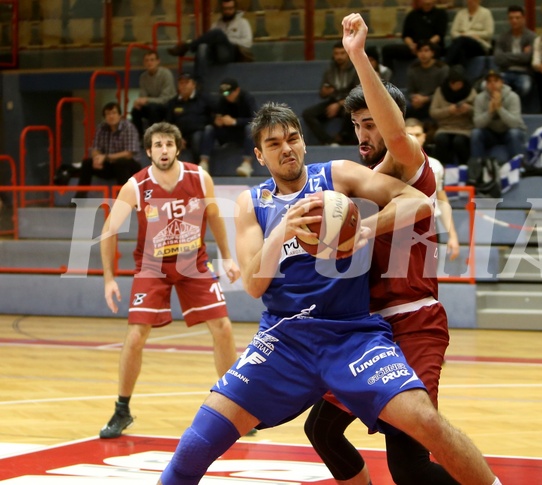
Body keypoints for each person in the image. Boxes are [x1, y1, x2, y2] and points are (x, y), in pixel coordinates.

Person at [156, 101, 500, 485]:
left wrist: (365, 228)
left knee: (426, 422)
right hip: (283, 340)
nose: (286, 148)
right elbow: (253, 284)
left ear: (303, 143)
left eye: (292, 138)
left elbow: (417, 202)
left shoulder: (336, 175)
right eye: (274, 144)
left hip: (351, 335)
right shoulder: (252, 204)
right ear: (259, 155)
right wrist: (283, 230)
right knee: (194, 446)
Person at [303, 13, 502, 485]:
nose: (363, 136)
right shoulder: (365, 180)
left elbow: (396, 137)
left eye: (371, 123)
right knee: (322, 430)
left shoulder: (412, 164)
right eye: (356, 125)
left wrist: (357, 56)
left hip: (414, 323)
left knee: (409, 465)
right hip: (370, 330)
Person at [98, 122, 240, 439]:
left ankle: (235, 405)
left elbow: (215, 216)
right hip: (152, 267)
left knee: (223, 326)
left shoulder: (199, 178)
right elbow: (108, 230)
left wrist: (227, 256)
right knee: (136, 335)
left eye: (169, 144)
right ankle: (122, 410)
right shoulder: (135, 186)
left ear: (178, 147)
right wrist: (109, 279)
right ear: (149, 151)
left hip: (194, 263)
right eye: (158, 145)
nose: (164, 150)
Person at [406, 117, 461, 261]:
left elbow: (442, 200)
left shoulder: (435, 166)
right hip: (399, 226)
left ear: (424, 137)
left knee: (428, 278)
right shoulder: (390, 165)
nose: (414, 139)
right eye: (409, 135)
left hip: (429, 225)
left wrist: (452, 236)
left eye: (417, 135)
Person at [167, 0, 253, 78]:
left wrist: (226, 39)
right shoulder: (216, 24)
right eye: (225, 9)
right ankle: (198, 82)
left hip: (232, 53)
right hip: (216, 53)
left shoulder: (243, 22)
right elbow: (207, 40)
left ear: (235, 9)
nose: (227, 11)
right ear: (221, 9)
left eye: (230, 9)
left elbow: (248, 42)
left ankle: (187, 47)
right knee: (202, 47)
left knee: (218, 33)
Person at [470, 69, 526, 186]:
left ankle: (519, 167)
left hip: (509, 132)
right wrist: (490, 112)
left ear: (502, 82)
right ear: (485, 84)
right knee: (476, 133)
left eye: (496, 81)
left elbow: (515, 123)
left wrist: (499, 108)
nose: (493, 84)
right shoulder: (480, 98)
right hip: (490, 133)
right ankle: (478, 171)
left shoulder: (512, 97)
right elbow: (477, 123)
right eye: (489, 81)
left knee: (514, 133)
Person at [75, 101, 141, 198]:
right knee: (87, 163)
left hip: (129, 166)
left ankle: (124, 199)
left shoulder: (129, 127)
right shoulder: (101, 128)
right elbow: (95, 149)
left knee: (121, 163)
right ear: (105, 117)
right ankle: (79, 198)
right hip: (109, 165)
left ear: (120, 115)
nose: (111, 116)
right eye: (108, 114)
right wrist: (97, 159)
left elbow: (128, 154)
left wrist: (105, 157)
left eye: (114, 113)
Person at [302, 41, 359, 146]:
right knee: (308, 114)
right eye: (336, 54)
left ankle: (343, 138)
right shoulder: (330, 70)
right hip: (333, 100)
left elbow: (358, 93)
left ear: (348, 54)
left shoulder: (355, 69)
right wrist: (325, 92)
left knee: (351, 110)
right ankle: (328, 141)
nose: (339, 56)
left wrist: (339, 104)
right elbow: (322, 93)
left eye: (342, 53)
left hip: (349, 101)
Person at [165, 71, 215, 171]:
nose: (183, 86)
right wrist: (177, 137)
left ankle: (200, 167)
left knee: (197, 138)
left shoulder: (204, 100)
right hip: (179, 134)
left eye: (186, 83)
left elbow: (212, 118)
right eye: (181, 83)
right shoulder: (172, 103)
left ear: (194, 84)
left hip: (198, 132)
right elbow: (168, 123)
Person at [381, 0, 449, 72]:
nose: (427, 3)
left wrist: (425, 46)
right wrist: (411, 45)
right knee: (387, 50)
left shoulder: (441, 13)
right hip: (414, 47)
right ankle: (387, 77)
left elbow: (439, 35)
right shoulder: (412, 15)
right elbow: (406, 35)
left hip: (432, 46)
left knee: (434, 50)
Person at [429, 65, 477, 167]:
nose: (456, 86)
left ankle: (465, 167)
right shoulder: (440, 91)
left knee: (459, 142)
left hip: (464, 128)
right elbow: (433, 112)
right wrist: (448, 111)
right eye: (453, 83)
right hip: (445, 127)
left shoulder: (471, 92)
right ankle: (443, 168)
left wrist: (468, 109)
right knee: (441, 140)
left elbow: (477, 113)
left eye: (459, 83)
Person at [212, 77, 257, 177]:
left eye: (228, 93)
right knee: (208, 129)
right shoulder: (223, 100)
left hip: (243, 131)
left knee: (250, 128)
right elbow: (217, 115)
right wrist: (217, 121)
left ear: (237, 90)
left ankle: (247, 163)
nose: (226, 96)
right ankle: (204, 162)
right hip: (228, 132)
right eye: (224, 93)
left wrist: (235, 121)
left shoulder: (247, 98)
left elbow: (255, 119)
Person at [493, 5, 536, 103]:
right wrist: (520, 55)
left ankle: (512, 105)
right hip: (505, 72)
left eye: (517, 18)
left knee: (525, 86)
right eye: (511, 18)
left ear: (523, 19)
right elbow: (498, 58)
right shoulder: (502, 37)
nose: (514, 21)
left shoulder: (531, 37)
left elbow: (527, 58)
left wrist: (506, 55)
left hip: (524, 72)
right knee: (488, 85)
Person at [130, 50, 176, 138]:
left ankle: (153, 137)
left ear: (158, 61)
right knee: (135, 110)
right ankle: (139, 138)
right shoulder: (143, 77)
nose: (149, 63)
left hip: (168, 105)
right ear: (144, 63)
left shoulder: (166, 74)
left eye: (152, 60)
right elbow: (143, 96)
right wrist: (138, 102)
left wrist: (147, 100)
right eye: (146, 60)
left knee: (153, 108)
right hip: (152, 105)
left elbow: (165, 99)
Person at [405, 40, 449, 123]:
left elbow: (444, 91)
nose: (423, 54)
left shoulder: (442, 68)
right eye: (420, 51)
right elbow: (409, 91)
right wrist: (414, 98)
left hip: (435, 101)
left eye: (426, 50)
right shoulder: (413, 68)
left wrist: (426, 99)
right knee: (401, 108)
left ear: (432, 53)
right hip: (417, 102)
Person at [445, 0, 495, 68]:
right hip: (462, 43)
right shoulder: (460, 13)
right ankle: (463, 75)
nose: (470, 1)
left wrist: (471, 34)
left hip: (479, 44)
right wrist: (465, 36)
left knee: (459, 43)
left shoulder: (486, 13)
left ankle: (446, 64)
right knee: (461, 50)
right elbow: (453, 32)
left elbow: (489, 33)